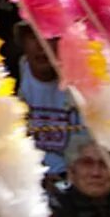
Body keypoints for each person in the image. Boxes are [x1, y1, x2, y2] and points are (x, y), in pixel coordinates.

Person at [15, 28, 79, 177]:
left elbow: (85, 145)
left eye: (50, 38)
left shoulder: (79, 86)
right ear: (23, 43)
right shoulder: (7, 79)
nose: (41, 46)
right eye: (33, 37)